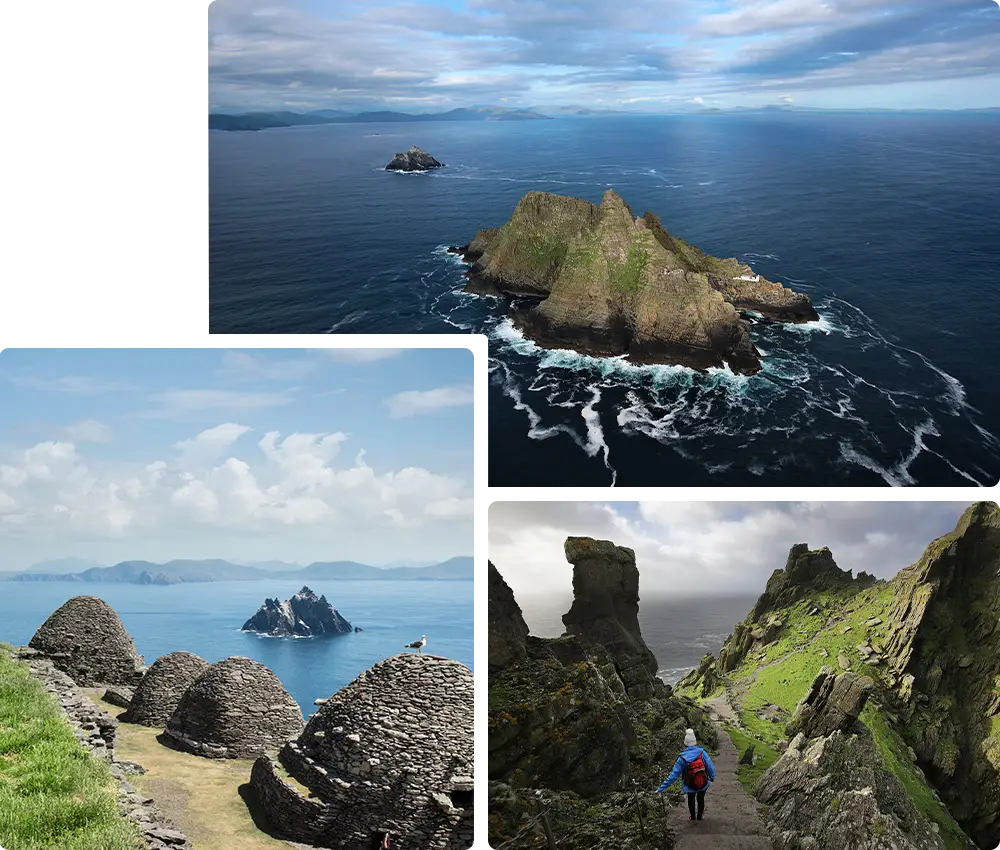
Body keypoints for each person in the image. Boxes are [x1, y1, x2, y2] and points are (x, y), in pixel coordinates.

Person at [655, 728, 716, 822]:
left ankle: (692, 817)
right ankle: (700, 817)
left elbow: (673, 775)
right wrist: (712, 778)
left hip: (690, 784)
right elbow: (710, 766)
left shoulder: (682, 758)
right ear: (695, 742)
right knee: (701, 798)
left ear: (685, 743)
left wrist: (661, 788)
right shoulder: (702, 753)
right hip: (703, 782)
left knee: (691, 799)